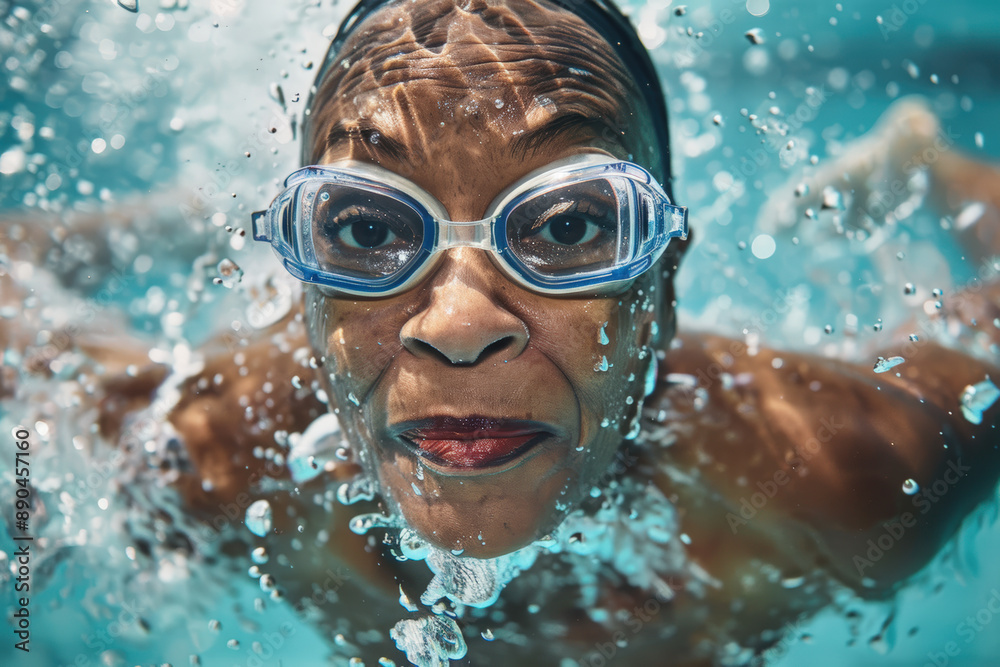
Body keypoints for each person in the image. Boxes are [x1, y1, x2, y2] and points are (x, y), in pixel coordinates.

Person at [5, 0, 999, 665]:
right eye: (364, 226)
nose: (458, 325)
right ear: (303, 294)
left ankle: (923, 152)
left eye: (568, 225)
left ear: (666, 284)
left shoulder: (852, 479)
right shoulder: (208, 452)